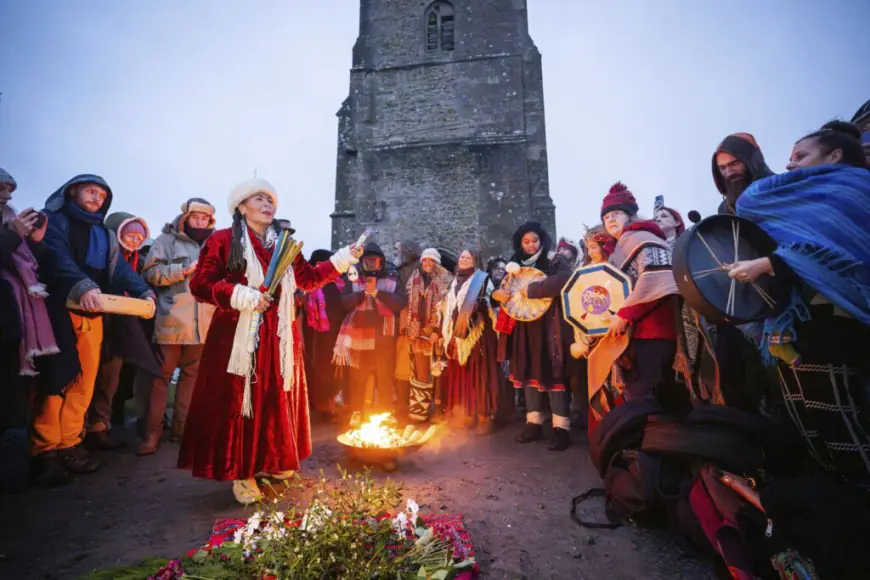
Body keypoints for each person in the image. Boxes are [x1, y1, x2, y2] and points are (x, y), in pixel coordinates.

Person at [177, 179, 360, 504]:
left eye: (271, 200)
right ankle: (242, 471)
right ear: (242, 206)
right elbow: (201, 284)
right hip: (237, 336)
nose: (267, 204)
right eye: (259, 198)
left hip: (280, 338)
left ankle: (273, 461)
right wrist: (239, 293)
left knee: (274, 399)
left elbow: (308, 279)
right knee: (241, 402)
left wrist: (343, 259)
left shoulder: (284, 244)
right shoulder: (223, 240)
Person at [731, 121, 870, 482]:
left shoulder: (855, 190)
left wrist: (772, 263)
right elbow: (749, 201)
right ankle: (830, 513)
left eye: (800, 156)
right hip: (796, 323)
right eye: (789, 157)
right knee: (808, 425)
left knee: (845, 423)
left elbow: (843, 251)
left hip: (840, 325)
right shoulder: (797, 200)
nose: (790, 165)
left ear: (835, 156)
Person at [33, 175, 154, 486]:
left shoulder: (103, 232)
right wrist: (82, 284)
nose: (97, 197)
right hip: (55, 310)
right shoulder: (53, 221)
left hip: (92, 313)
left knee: (84, 383)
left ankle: (70, 444)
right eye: (91, 190)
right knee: (57, 379)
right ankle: (44, 451)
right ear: (71, 190)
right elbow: (55, 258)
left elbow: (120, 270)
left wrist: (143, 291)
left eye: (102, 194)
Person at [591, 183, 688, 410]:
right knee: (650, 398)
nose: (610, 220)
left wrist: (626, 313)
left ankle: (653, 442)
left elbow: (658, 278)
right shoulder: (623, 243)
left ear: (630, 214)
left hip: (653, 332)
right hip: (638, 334)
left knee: (647, 400)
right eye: (606, 217)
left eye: (616, 214)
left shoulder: (640, 236)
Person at [139, 198, 217, 455]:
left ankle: (182, 431)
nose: (201, 222)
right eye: (196, 217)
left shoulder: (215, 244)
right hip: (171, 320)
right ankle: (152, 435)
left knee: (191, 378)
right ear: (185, 217)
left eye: (205, 218)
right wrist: (183, 269)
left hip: (204, 323)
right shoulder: (165, 241)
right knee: (160, 379)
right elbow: (149, 274)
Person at [493, 222, 574, 451]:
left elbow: (565, 280)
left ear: (542, 240)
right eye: (526, 242)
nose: (530, 245)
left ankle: (561, 427)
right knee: (527, 368)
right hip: (523, 326)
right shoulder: (514, 264)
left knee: (552, 369)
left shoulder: (554, 259)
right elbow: (503, 291)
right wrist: (498, 295)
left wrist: (532, 291)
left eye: (534, 241)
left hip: (551, 326)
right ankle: (533, 422)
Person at [0, 168, 53, 492]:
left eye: (9, 189)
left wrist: (34, 241)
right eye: (1, 188)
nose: (6, 195)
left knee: (16, 401)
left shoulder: (9, 220)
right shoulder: (9, 227)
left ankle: (15, 483)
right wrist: (12, 235)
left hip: (16, 323)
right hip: (9, 315)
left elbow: (33, 264)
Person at [85, 211, 155, 451]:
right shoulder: (100, 254)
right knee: (88, 378)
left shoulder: (138, 259)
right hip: (96, 319)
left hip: (122, 326)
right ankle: (79, 432)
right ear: (116, 232)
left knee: (111, 378)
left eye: (139, 235)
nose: (135, 239)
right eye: (129, 233)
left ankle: (99, 426)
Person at [334, 243, 407, 421]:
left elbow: (401, 302)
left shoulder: (392, 277)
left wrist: (379, 294)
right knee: (358, 377)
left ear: (381, 262)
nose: (372, 265)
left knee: (385, 375)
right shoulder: (353, 277)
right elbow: (343, 302)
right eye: (368, 261)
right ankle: (357, 411)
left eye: (375, 261)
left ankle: (385, 412)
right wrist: (362, 295)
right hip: (359, 335)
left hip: (384, 336)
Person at [441, 249, 500, 434]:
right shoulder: (453, 281)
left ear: (475, 261)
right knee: (461, 374)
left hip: (478, 335)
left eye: (468, 257)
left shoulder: (482, 280)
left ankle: (484, 416)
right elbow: (449, 304)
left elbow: (491, 303)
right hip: (456, 334)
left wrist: (480, 305)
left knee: (479, 375)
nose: (464, 259)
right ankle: (464, 414)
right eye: (462, 257)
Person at [404, 248, 452, 422]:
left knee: (438, 370)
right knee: (420, 371)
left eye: (431, 261)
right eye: (425, 260)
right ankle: (420, 410)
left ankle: (439, 410)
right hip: (418, 332)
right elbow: (409, 305)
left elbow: (448, 308)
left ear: (437, 262)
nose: (428, 264)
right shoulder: (414, 279)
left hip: (437, 333)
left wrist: (437, 331)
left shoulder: (446, 280)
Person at [302, 249, 346, 419]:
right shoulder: (309, 286)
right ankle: (323, 407)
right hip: (316, 336)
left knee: (333, 370)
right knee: (320, 370)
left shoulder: (338, 284)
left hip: (334, 335)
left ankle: (330, 406)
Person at [712, 132, 775, 215]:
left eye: (734, 164)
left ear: (753, 161)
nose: (729, 173)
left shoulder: (783, 190)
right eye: (723, 168)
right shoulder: (725, 210)